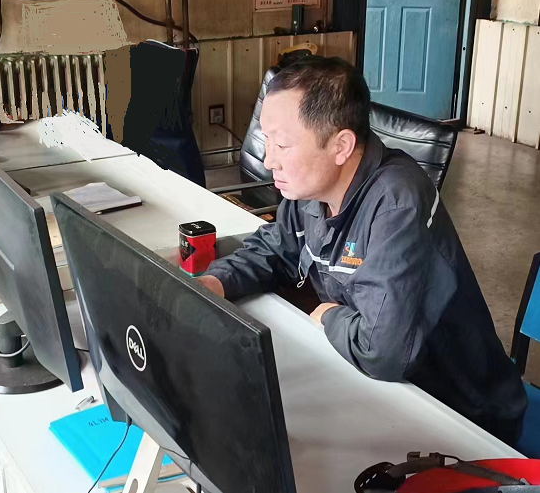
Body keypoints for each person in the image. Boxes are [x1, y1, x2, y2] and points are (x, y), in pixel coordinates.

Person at [197, 56, 527, 447]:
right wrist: (215, 282)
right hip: (386, 390)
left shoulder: (396, 203)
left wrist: (329, 315)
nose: (269, 160)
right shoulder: (312, 190)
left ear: (341, 146)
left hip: (459, 414)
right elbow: (277, 247)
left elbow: (382, 350)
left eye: (282, 144)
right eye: (267, 141)